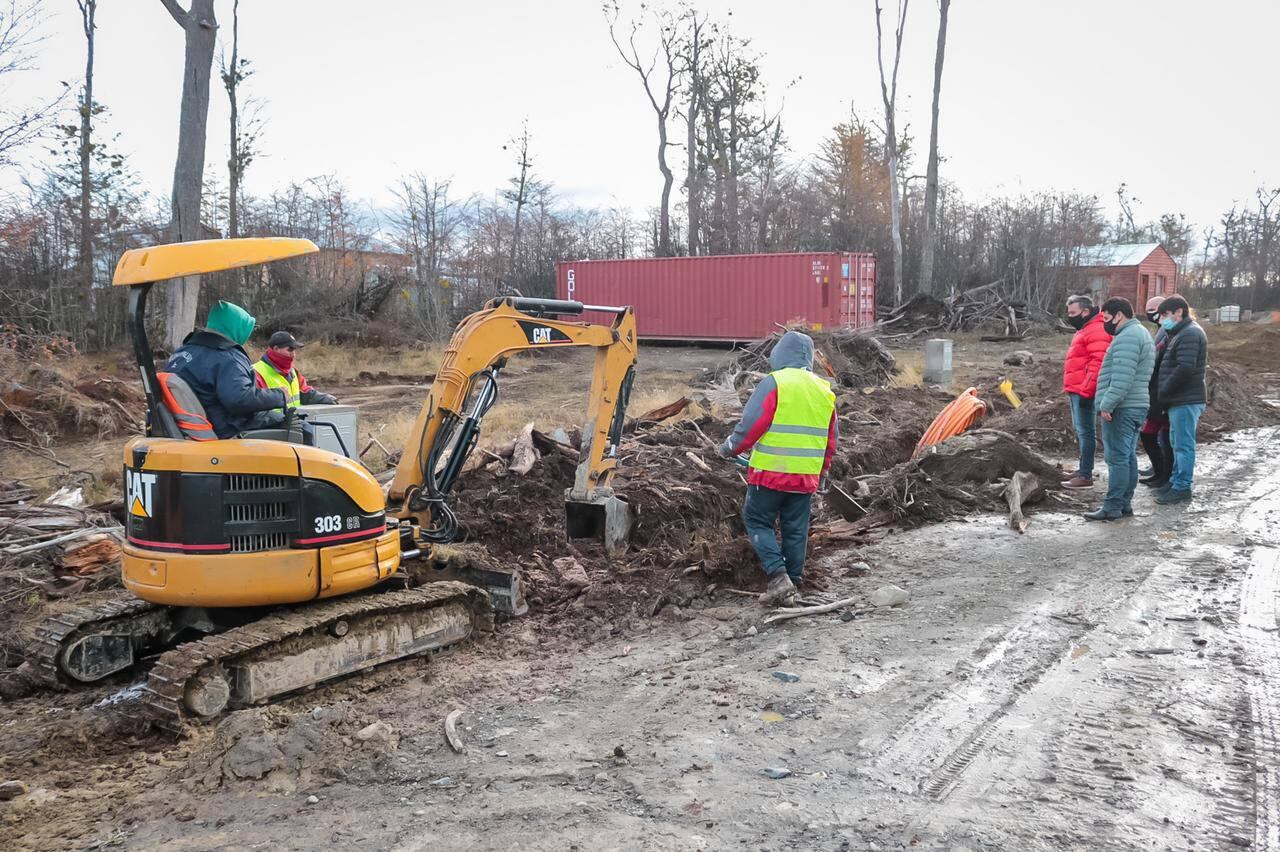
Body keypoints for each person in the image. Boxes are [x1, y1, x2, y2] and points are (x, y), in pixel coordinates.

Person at [718, 331, 838, 606]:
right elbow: (830, 441)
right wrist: (821, 474)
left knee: (757, 520)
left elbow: (752, 424)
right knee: (796, 529)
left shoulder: (775, 383)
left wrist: (729, 448)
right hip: (805, 477)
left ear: (779, 355)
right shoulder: (824, 391)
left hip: (770, 474)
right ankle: (793, 582)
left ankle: (778, 577)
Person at [164, 301, 290, 439]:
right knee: (298, 426)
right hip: (226, 429)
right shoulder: (228, 358)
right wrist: (279, 395)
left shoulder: (181, 353)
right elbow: (239, 400)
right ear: (237, 328)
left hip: (193, 425)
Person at [1084, 297, 1155, 522]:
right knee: (1127, 457)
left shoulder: (1129, 337)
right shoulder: (1139, 333)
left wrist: (1107, 403)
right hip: (1135, 405)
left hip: (1123, 407)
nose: (1105, 323)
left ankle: (1113, 506)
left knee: (1117, 458)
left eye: (1106, 318)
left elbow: (1122, 377)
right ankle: (1124, 504)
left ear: (1119, 315)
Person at [1152, 295, 1208, 505]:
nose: (1162, 319)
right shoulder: (1180, 332)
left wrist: (1164, 391)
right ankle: (1175, 482)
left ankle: (1182, 487)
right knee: (1176, 443)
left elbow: (1184, 368)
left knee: (1183, 445)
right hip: (1180, 399)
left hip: (1186, 399)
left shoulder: (1190, 333)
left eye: (1165, 314)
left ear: (1179, 312)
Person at [1060, 294, 1113, 489]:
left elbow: (1097, 363)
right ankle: (1082, 468)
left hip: (1084, 389)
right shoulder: (1086, 328)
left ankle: (1085, 474)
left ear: (1085, 311)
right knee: (1081, 431)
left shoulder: (1096, 329)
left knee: (1086, 432)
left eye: (1073, 313)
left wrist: (1086, 391)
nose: (1070, 316)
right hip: (1076, 387)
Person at [253, 331, 338, 411]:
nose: (293, 354)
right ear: (276, 349)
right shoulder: (256, 373)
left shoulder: (293, 372)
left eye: (294, 350)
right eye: (290, 349)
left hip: (294, 423)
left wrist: (326, 398)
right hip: (272, 425)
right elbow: (256, 406)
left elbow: (306, 393)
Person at [1138, 295, 1173, 487]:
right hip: (1156, 391)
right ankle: (1160, 472)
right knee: (1152, 435)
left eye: (1155, 310)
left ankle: (1165, 476)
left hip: (1163, 393)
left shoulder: (1171, 332)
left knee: (1164, 437)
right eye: (1148, 309)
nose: (1151, 314)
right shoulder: (1161, 330)